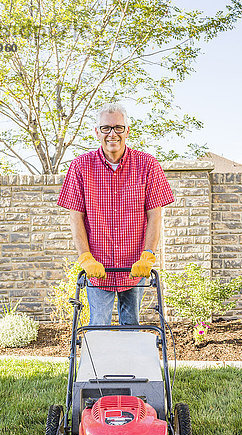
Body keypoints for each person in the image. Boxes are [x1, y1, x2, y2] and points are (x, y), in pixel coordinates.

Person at [57, 102, 174, 325]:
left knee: (131, 324)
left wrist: (147, 254)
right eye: (106, 128)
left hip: (134, 266)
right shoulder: (80, 166)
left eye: (119, 128)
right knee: (98, 325)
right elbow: (76, 217)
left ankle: (128, 362)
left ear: (127, 131)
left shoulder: (148, 165)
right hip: (98, 267)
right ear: (97, 132)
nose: (113, 134)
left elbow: (154, 216)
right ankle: (98, 362)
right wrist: (85, 258)